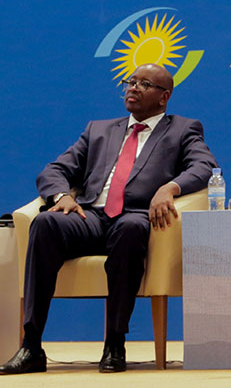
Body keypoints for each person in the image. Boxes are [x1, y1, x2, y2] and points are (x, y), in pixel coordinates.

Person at [0, 64, 217, 375]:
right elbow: (54, 171)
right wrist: (62, 197)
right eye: (131, 82)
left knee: (130, 229)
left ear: (164, 97)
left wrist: (169, 187)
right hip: (89, 216)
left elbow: (204, 166)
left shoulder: (183, 129)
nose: (133, 88)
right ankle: (31, 345)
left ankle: (115, 343)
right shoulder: (98, 130)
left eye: (144, 84)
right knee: (46, 223)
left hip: (135, 217)